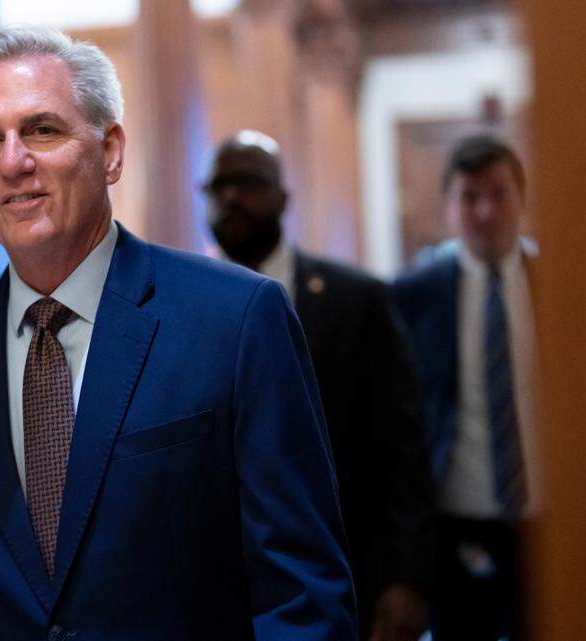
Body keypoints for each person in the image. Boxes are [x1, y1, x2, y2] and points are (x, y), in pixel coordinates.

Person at [0, 26, 359, 641]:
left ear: (109, 152)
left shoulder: (236, 321)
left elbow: (304, 596)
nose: (13, 161)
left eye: (42, 129)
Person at [204, 131, 435, 641]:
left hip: (350, 576)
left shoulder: (359, 301)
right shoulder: (182, 309)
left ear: (284, 197)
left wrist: (408, 577)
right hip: (223, 590)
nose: (231, 198)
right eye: (218, 186)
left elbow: (405, 449)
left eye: (248, 182)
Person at [393, 134, 538, 641]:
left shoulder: (562, 285)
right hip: (457, 527)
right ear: (449, 208)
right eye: (469, 198)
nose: (484, 212)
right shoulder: (414, 295)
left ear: (522, 197)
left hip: (552, 523)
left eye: (498, 194)